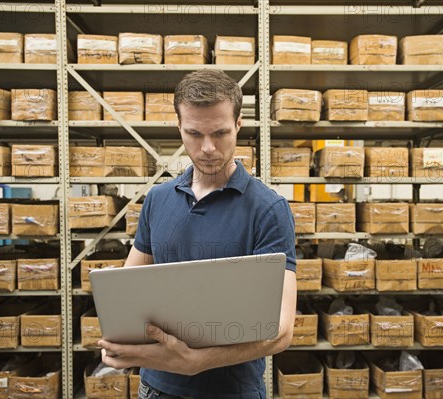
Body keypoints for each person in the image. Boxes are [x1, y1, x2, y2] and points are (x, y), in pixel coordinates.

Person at [98, 69, 297, 399]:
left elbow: (281, 330)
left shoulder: (268, 209)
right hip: (156, 389)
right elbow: (125, 292)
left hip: (231, 391)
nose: (207, 148)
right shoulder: (158, 200)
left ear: (238, 126)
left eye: (219, 133)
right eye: (194, 133)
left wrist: (198, 362)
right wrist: (118, 342)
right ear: (179, 128)